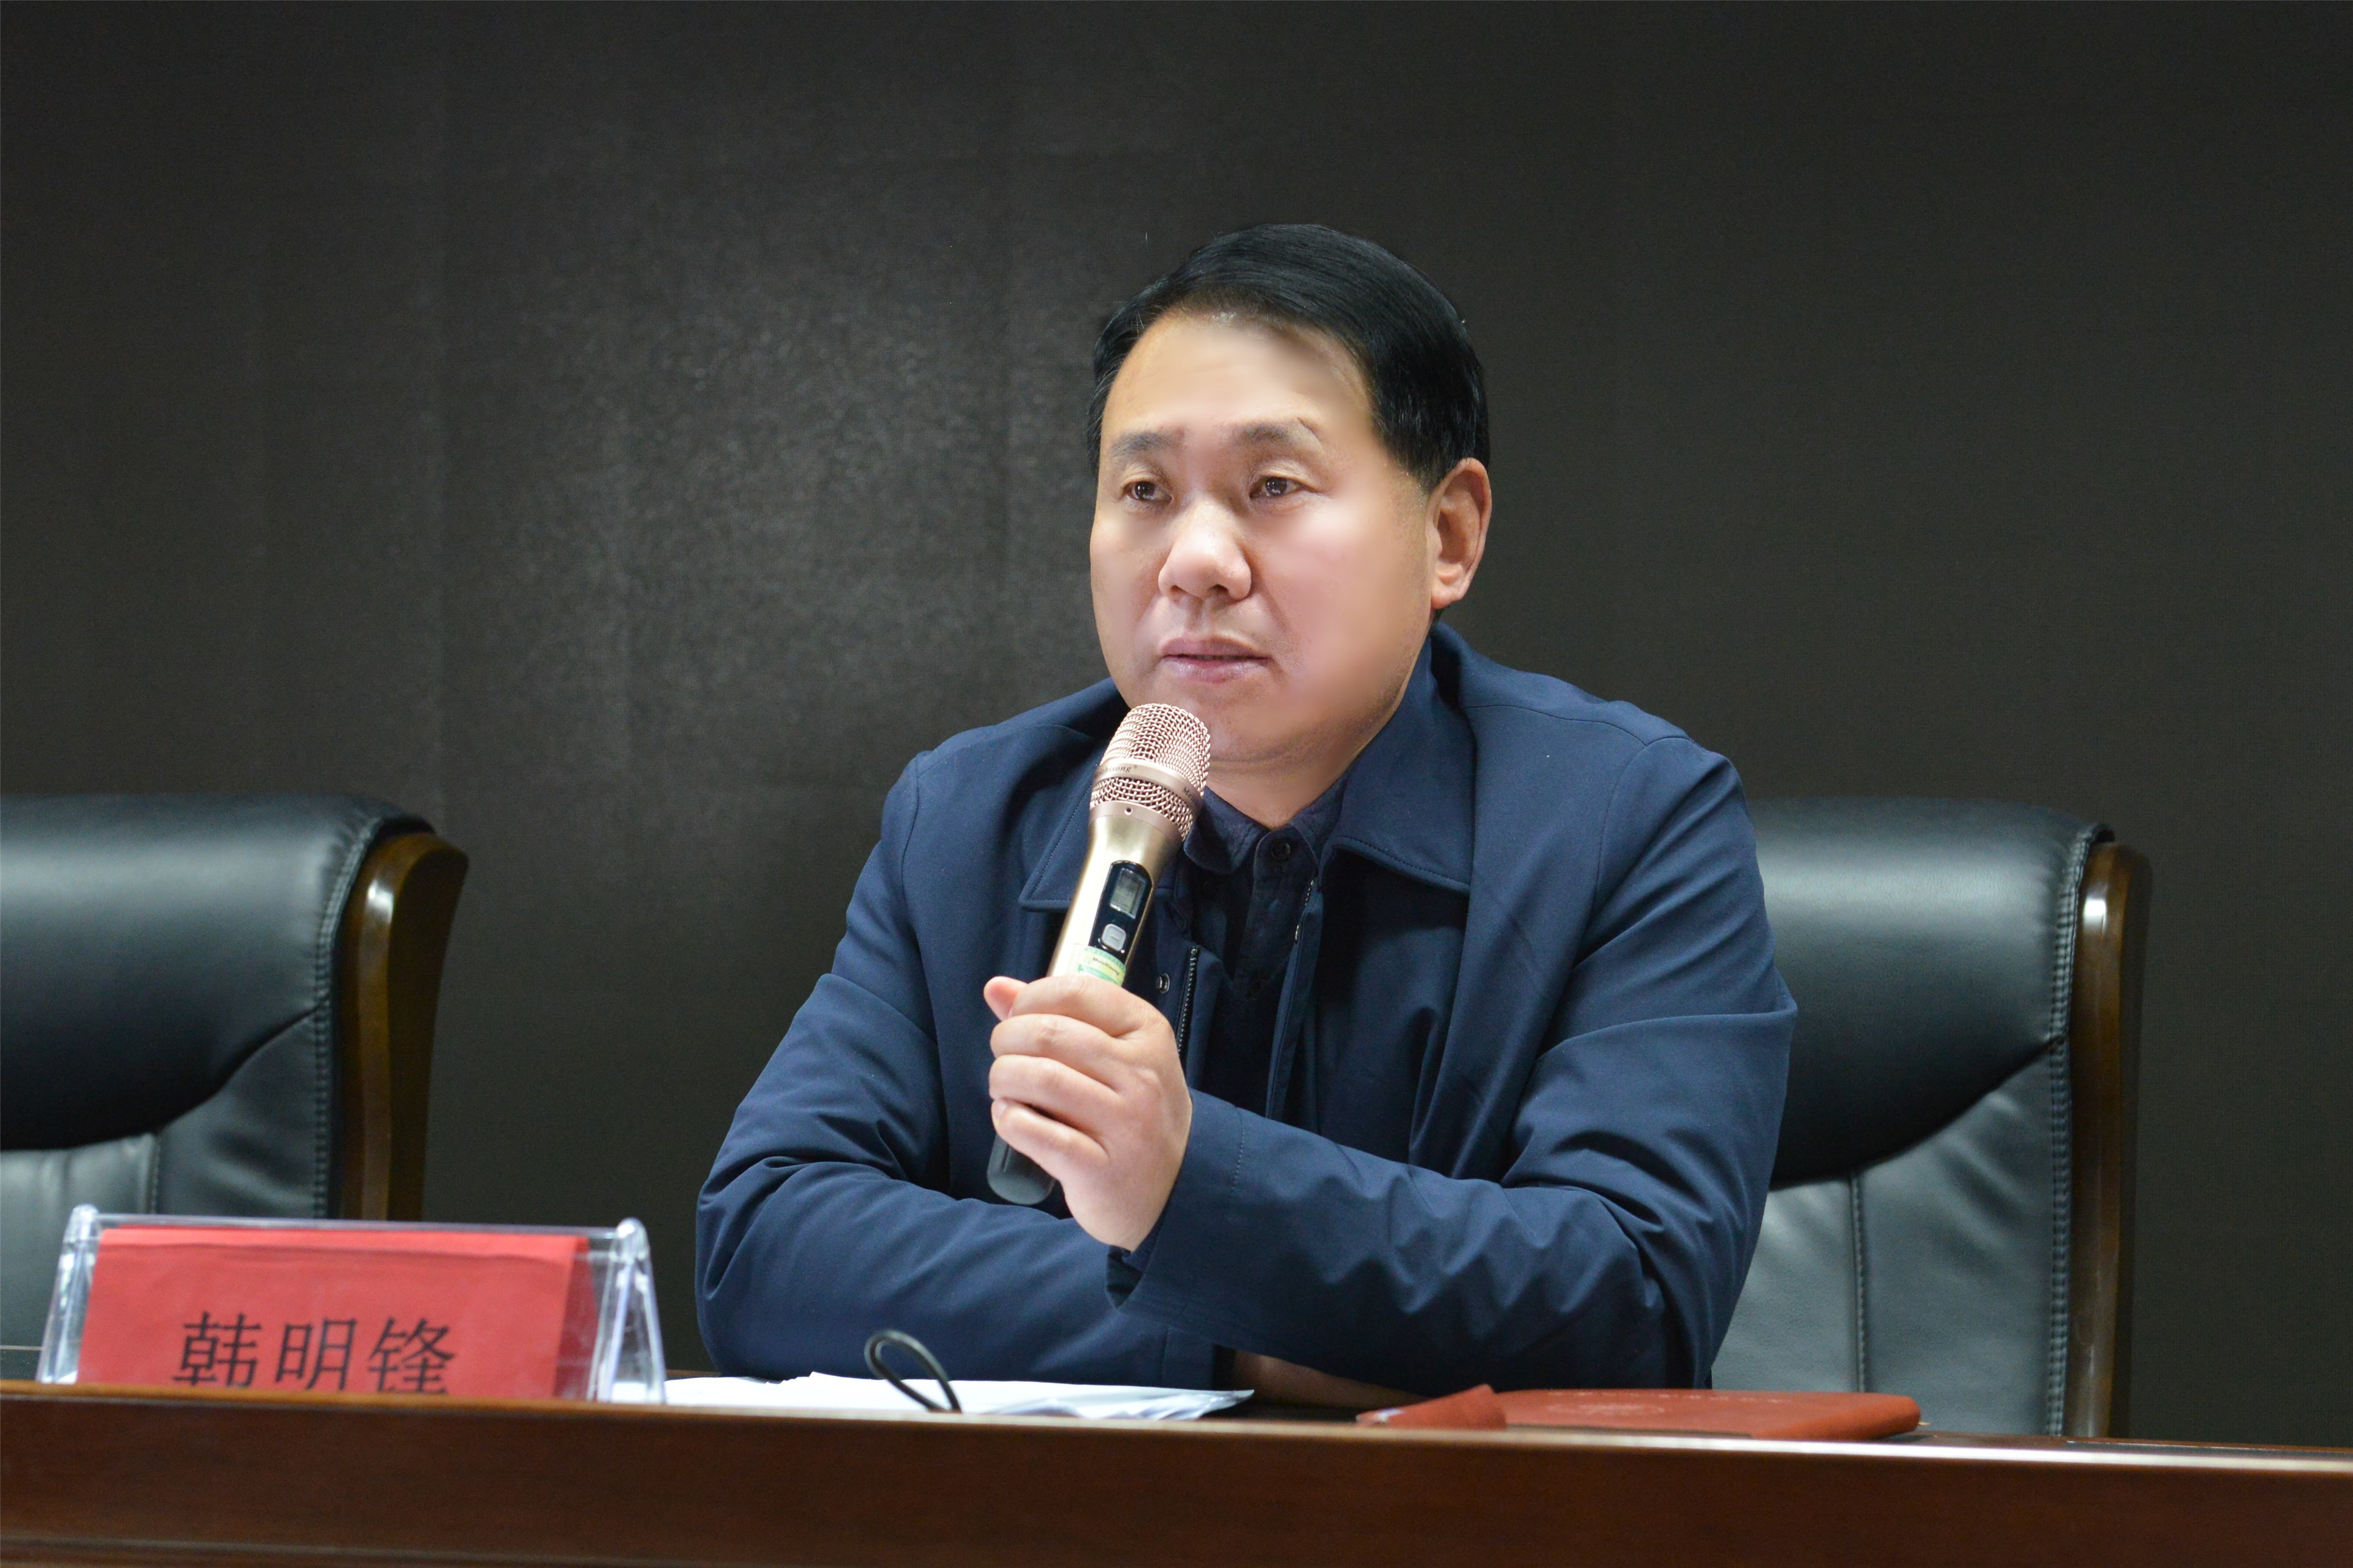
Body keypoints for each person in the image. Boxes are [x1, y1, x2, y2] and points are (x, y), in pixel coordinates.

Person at [697, 224, 1794, 1403]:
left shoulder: (1626, 820)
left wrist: (1186, 1184)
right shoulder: (967, 819)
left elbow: (1632, 1302)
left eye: (1272, 487)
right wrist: (1222, 1328)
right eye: (1145, 491)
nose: (1197, 560)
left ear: (1449, 534)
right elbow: (764, 1245)